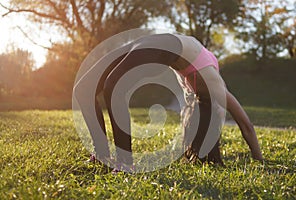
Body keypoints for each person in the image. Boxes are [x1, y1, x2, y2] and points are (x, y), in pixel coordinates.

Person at [74, 33, 263, 172]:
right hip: (160, 42)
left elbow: (192, 121)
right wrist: (259, 159)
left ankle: (114, 159)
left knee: (89, 89)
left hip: (156, 42)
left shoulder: (194, 92)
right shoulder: (216, 89)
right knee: (97, 88)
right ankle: (113, 159)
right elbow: (246, 124)